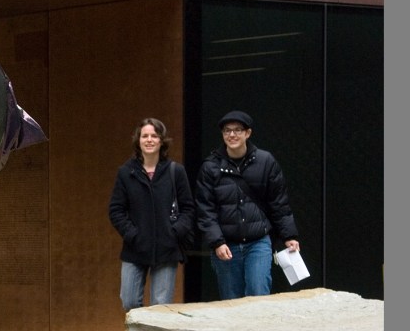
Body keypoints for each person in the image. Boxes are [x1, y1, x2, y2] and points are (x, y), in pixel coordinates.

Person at [195, 110, 300, 300]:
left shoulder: (265, 161)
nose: (232, 135)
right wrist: (217, 242)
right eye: (227, 131)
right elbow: (205, 209)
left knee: (259, 295)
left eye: (237, 130)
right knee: (231, 301)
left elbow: (279, 202)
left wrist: (289, 235)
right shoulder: (210, 167)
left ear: (248, 133)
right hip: (226, 244)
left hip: (258, 241)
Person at [108, 117, 196, 311]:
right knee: (129, 301)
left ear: (162, 141)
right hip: (135, 247)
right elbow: (116, 210)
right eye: (144, 136)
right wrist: (132, 234)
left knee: (160, 306)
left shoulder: (175, 171)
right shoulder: (126, 172)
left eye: (154, 136)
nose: (149, 140)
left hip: (167, 247)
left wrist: (174, 232)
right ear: (138, 140)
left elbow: (188, 209)